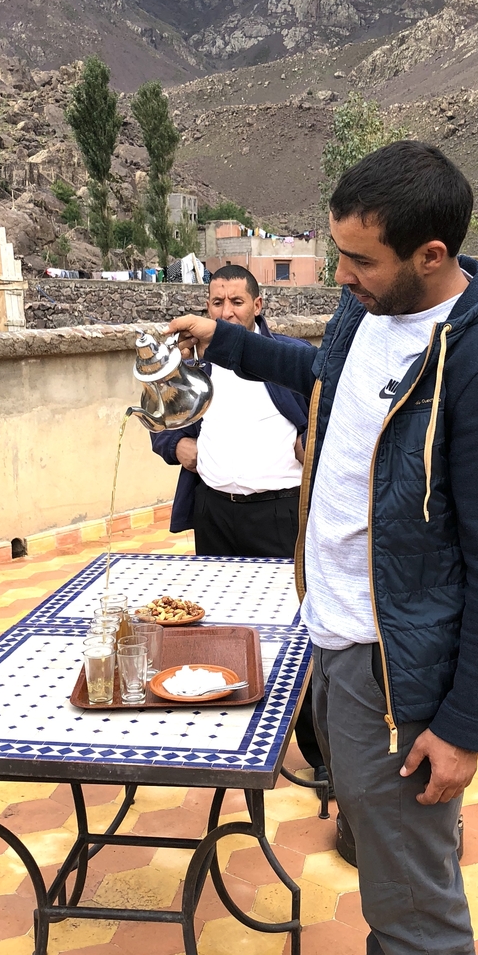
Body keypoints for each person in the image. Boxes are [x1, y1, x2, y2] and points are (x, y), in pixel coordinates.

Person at [166, 141, 478, 955]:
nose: (340, 275)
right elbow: (322, 370)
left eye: (358, 259)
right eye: (336, 253)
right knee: (375, 846)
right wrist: (226, 341)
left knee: (421, 895)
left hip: (402, 673)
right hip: (334, 635)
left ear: (430, 254)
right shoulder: (367, 309)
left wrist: (462, 726)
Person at [152, 264, 327, 788]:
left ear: (258, 305)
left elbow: (325, 414)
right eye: (216, 302)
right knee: (220, 627)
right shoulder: (191, 364)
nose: (226, 311)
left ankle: (320, 754)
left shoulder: (284, 358)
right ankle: (224, 739)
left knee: (298, 634)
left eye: (236, 302)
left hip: (280, 516)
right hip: (215, 513)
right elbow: (159, 418)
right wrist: (178, 446)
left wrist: (309, 443)